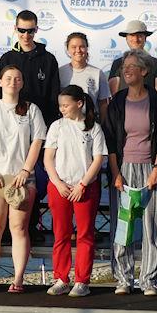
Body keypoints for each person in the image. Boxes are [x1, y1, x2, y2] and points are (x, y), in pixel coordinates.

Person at [103, 49, 157, 296]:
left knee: (151, 228)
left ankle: (149, 281)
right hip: (123, 170)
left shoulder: (155, 101)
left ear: (144, 72)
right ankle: (123, 279)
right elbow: (110, 141)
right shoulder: (117, 102)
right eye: (124, 67)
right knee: (124, 228)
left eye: (132, 66)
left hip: (150, 171)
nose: (126, 70)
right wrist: (115, 174)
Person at [0, 65, 47, 293]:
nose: (12, 82)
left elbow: (37, 141)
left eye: (17, 78)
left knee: (19, 228)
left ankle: (18, 279)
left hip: (22, 178)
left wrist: (26, 171)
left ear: (22, 83)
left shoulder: (31, 110)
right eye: (8, 78)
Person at [0, 9, 60, 243]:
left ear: (36, 30)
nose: (26, 35)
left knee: (35, 180)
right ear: (15, 29)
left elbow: (54, 100)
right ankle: (2, 231)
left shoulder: (48, 59)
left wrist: (51, 136)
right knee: (7, 177)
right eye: (21, 30)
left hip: (39, 132)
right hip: (9, 132)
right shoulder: (6, 59)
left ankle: (30, 226)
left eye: (30, 30)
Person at [44, 85, 108, 298]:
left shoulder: (93, 128)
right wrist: (58, 183)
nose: (62, 109)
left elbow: (98, 159)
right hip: (59, 187)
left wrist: (82, 184)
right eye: (60, 105)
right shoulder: (56, 126)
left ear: (79, 103)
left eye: (66, 105)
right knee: (61, 234)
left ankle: (82, 280)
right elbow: (48, 158)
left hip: (85, 189)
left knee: (84, 235)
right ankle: (61, 278)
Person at [59, 32, 110, 122]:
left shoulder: (97, 73)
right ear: (68, 49)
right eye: (74, 47)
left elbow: (103, 104)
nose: (78, 50)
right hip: (66, 125)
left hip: (90, 124)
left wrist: (103, 126)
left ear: (87, 48)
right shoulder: (60, 73)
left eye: (82, 46)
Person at [108, 20, 157, 97]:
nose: (136, 39)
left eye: (140, 35)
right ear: (126, 38)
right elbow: (114, 95)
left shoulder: (156, 64)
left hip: (149, 107)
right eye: (132, 35)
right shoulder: (117, 63)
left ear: (145, 38)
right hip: (122, 108)